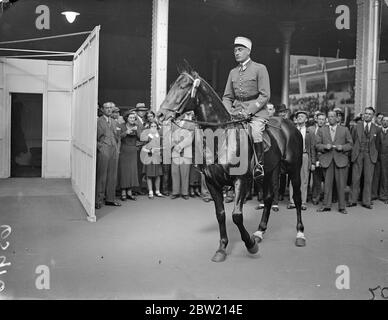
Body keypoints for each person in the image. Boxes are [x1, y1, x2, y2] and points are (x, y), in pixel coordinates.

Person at [222, 36, 270, 181]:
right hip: (236, 113)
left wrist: (249, 111)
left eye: (240, 50)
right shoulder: (233, 72)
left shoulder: (260, 68)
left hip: (256, 113)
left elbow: (265, 95)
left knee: (255, 132)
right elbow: (227, 97)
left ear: (248, 51)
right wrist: (230, 111)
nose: (236, 53)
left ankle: (259, 165)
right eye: (235, 50)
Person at [315, 111, 353, 214]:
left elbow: (350, 144)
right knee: (327, 184)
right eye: (329, 116)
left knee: (341, 185)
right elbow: (317, 145)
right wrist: (324, 147)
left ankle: (342, 207)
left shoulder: (344, 130)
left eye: (333, 116)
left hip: (340, 160)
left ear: (337, 118)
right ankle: (326, 205)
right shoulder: (322, 130)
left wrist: (343, 147)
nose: (331, 118)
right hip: (327, 160)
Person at [348, 107, 381, 209]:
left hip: (369, 155)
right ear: (363, 115)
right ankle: (352, 200)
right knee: (355, 178)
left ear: (373, 116)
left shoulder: (377, 129)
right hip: (358, 154)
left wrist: (374, 154)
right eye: (366, 113)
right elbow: (352, 140)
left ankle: (366, 201)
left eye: (370, 114)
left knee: (368, 179)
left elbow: (377, 144)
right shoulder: (356, 126)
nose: (367, 115)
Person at [288, 110, 316, 211]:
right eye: (298, 116)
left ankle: (303, 202)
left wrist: (313, 162)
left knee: (304, 179)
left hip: (304, 155)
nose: (299, 117)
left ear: (306, 119)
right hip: (293, 157)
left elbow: (312, 148)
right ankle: (292, 202)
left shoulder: (309, 132)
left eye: (302, 116)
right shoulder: (292, 130)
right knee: (292, 179)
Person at [95, 102, 121, 209]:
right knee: (102, 175)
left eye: (111, 108)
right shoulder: (98, 121)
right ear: (102, 109)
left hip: (114, 150)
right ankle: (98, 200)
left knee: (112, 175)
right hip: (104, 149)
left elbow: (118, 137)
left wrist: (117, 149)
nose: (109, 110)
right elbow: (94, 137)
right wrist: (100, 147)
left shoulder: (115, 122)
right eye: (107, 108)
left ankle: (110, 199)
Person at [171, 112, 195, 199]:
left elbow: (190, 138)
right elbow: (169, 136)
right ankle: (175, 192)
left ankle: (185, 193)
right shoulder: (173, 123)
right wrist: (174, 145)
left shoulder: (191, 124)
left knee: (185, 172)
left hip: (186, 151)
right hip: (175, 151)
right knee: (175, 172)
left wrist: (180, 146)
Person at [118, 111, 140, 201]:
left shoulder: (137, 126)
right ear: (126, 118)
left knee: (132, 171)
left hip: (133, 151)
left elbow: (141, 137)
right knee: (124, 171)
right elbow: (118, 136)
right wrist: (126, 132)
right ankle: (123, 192)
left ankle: (129, 192)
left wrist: (137, 130)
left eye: (134, 118)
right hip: (124, 150)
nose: (132, 119)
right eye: (130, 117)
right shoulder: (121, 126)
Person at [141, 120, 164, 199]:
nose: (153, 128)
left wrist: (160, 150)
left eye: (155, 126)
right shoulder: (147, 136)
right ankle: (150, 191)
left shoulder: (159, 136)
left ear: (157, 127)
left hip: (157, 157)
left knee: (158, 175)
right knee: (149, 175)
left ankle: (157, 191)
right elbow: (143, 148)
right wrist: (150, 150)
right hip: (149, 157)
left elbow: (162, 146)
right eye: (152, 126)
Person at [308, 112, 326, 205]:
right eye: (320, 119)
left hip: (325, 158)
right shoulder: (311, 130)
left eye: (323, 119)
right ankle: (315, 197)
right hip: (314, 156)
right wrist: (314, 161)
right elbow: (311, 147)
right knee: (316, 180)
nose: (321, 121)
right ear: (316, 119)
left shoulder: (327, 130)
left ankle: (325, 198)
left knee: (327, 180)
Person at [378, 115, 388, 203]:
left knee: (385, 176)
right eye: (384, 120)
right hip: (378, 156)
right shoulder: (378, 131)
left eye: (387, 120)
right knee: (378, 176)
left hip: (387, 157)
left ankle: (384, 195)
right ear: (381, 121)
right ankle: (377, 194)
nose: (385, 122)